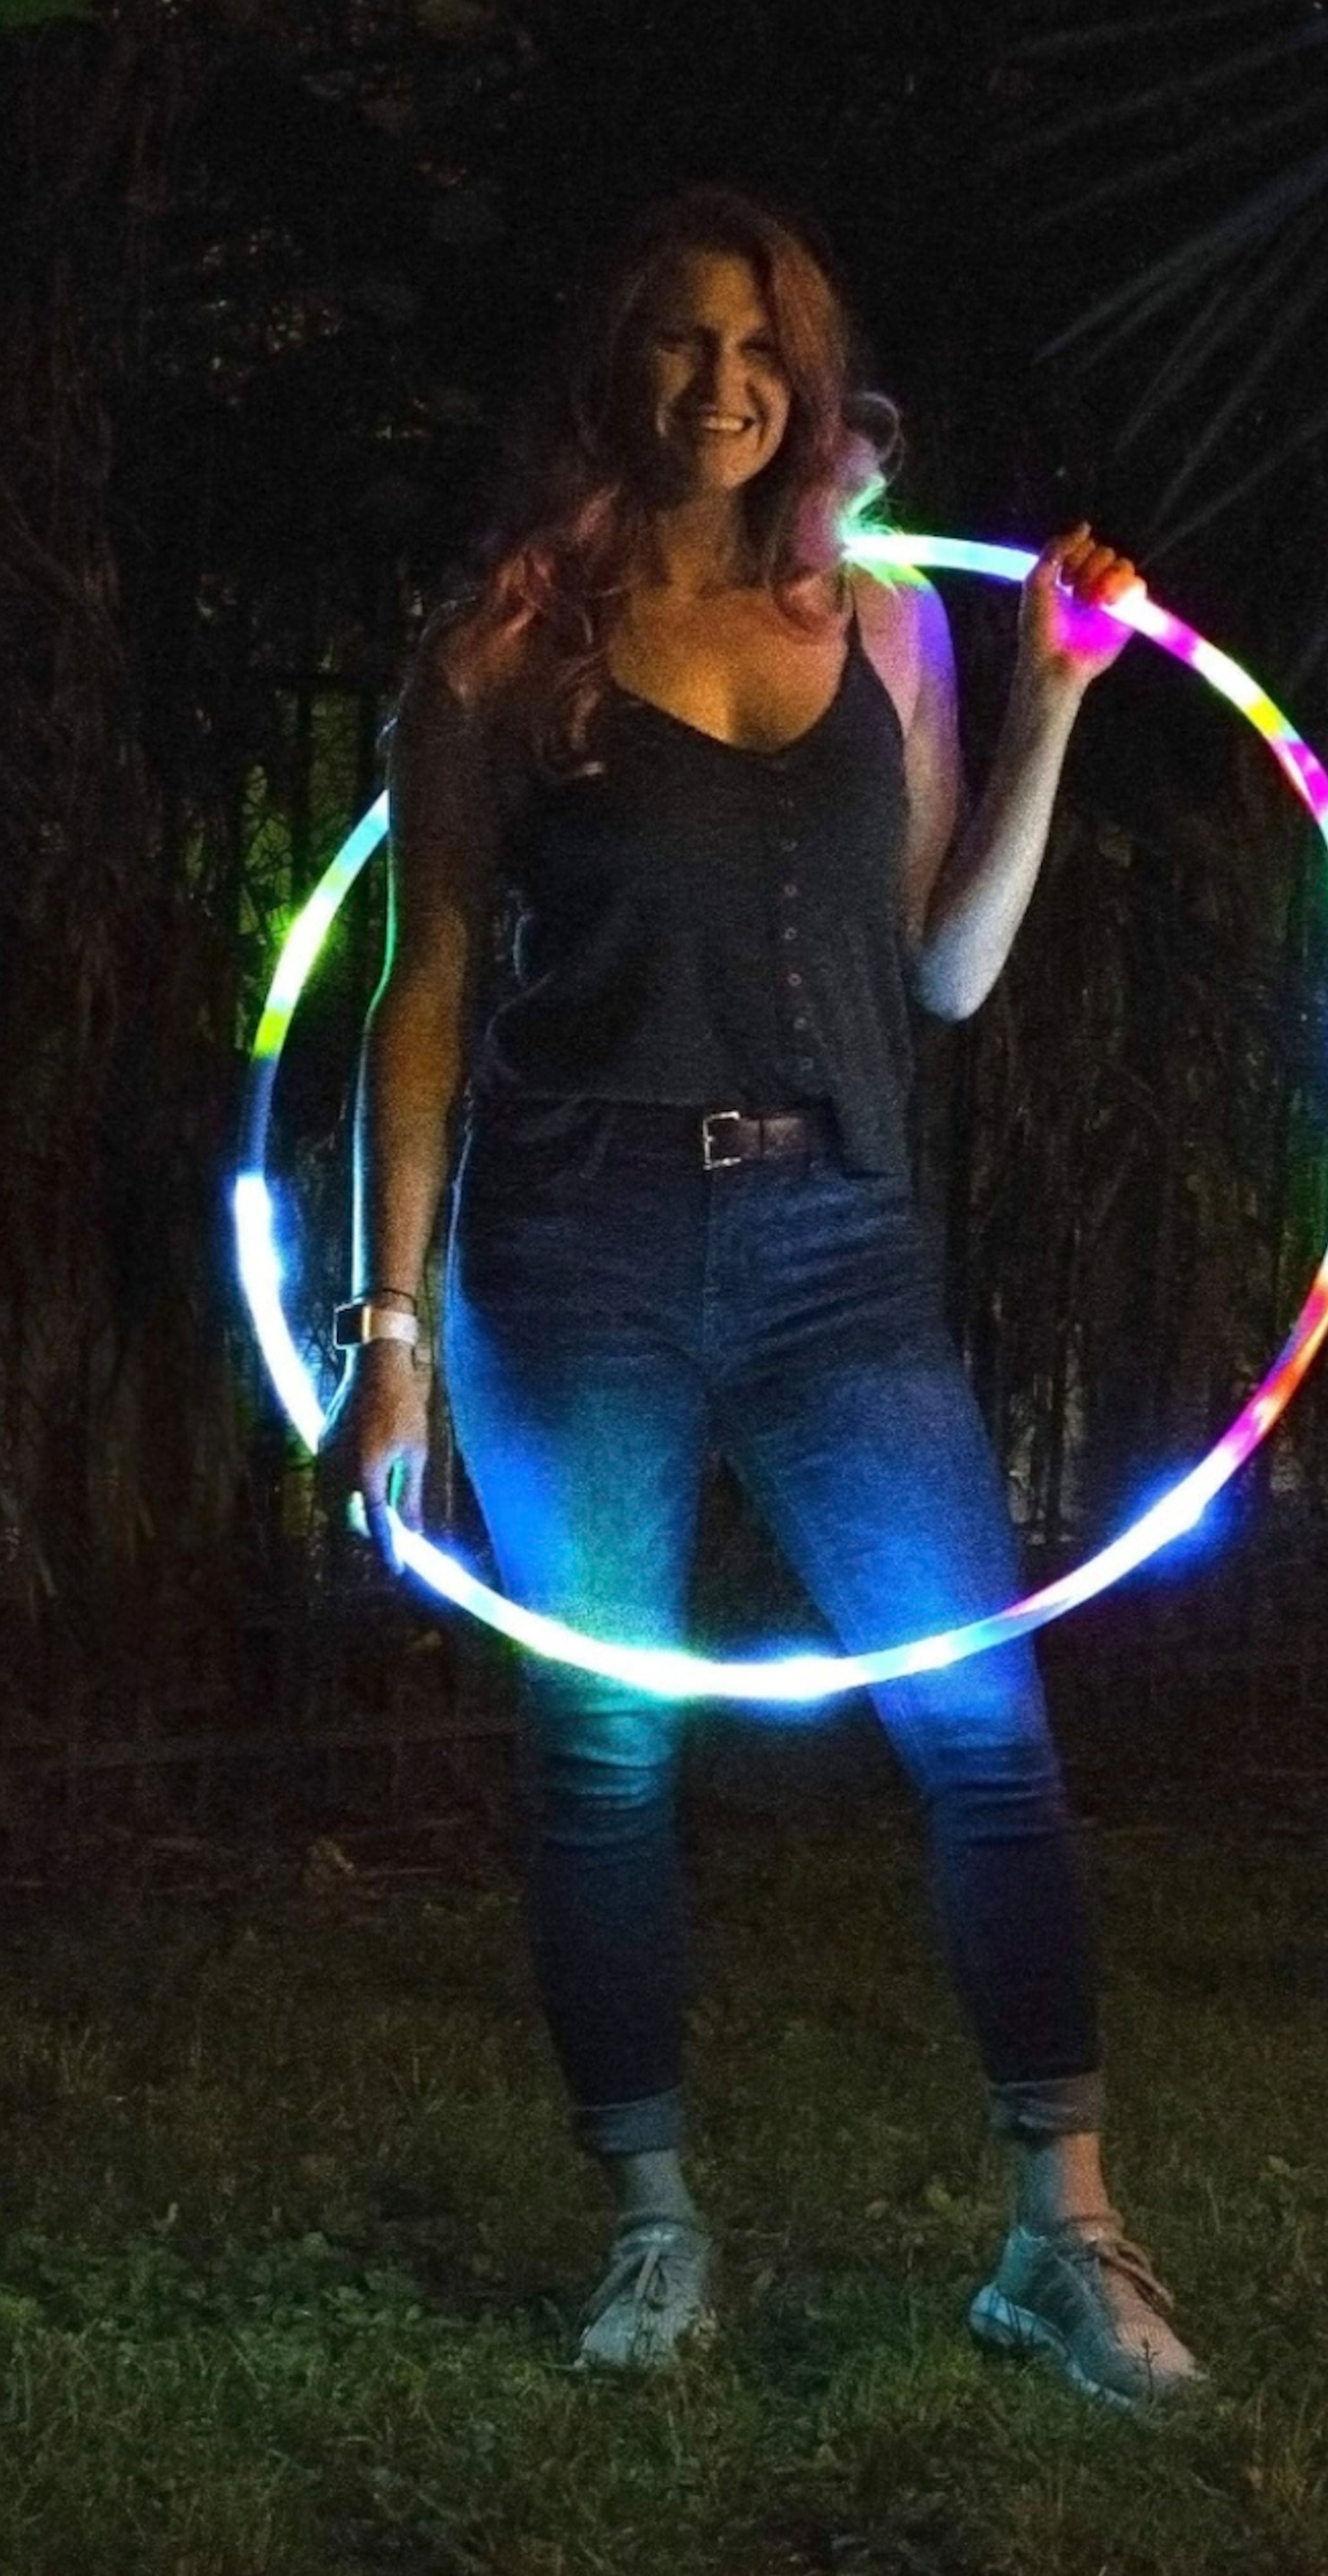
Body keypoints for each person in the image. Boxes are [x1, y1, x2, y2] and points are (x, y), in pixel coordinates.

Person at [332, 184, 1204, 2410]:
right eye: (678, 342)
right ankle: (652, 2228)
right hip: (574, 1248)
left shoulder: (888, 628)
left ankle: (1067, 2239)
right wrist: (392, 1334)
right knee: (605, 1746)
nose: (721, 384)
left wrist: (1059, 710)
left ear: (807, 381)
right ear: (612, 366)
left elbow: (944, 973)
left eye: (761, 350)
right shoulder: (504, 649)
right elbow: (423, 990)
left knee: (984, 1730)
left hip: (836, 1242)